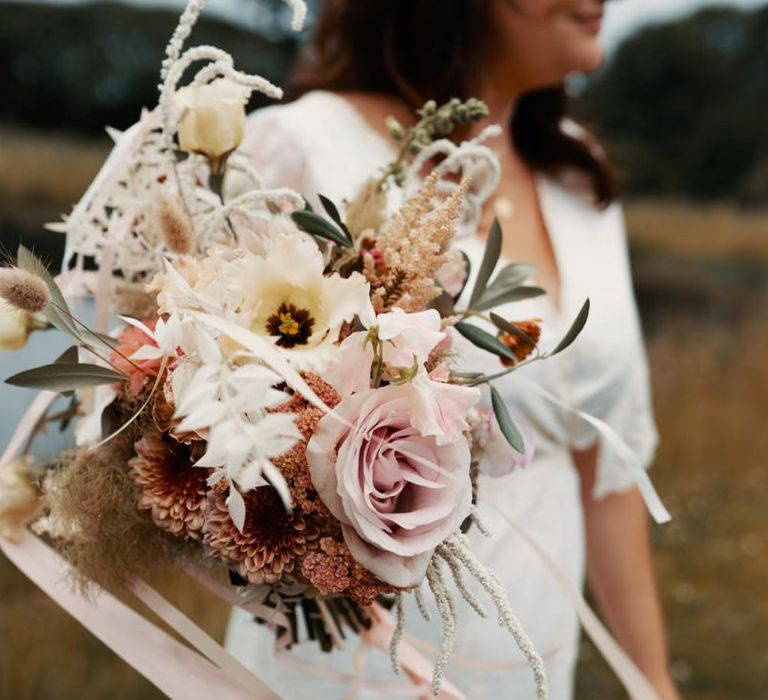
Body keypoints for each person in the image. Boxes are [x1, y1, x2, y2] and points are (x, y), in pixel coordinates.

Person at [226, 1, 681, 698]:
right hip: (345, 669)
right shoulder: (303, 147)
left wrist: (652, 682)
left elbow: (607, 472)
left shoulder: (578, 178)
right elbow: (226, 437)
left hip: (528, 660)